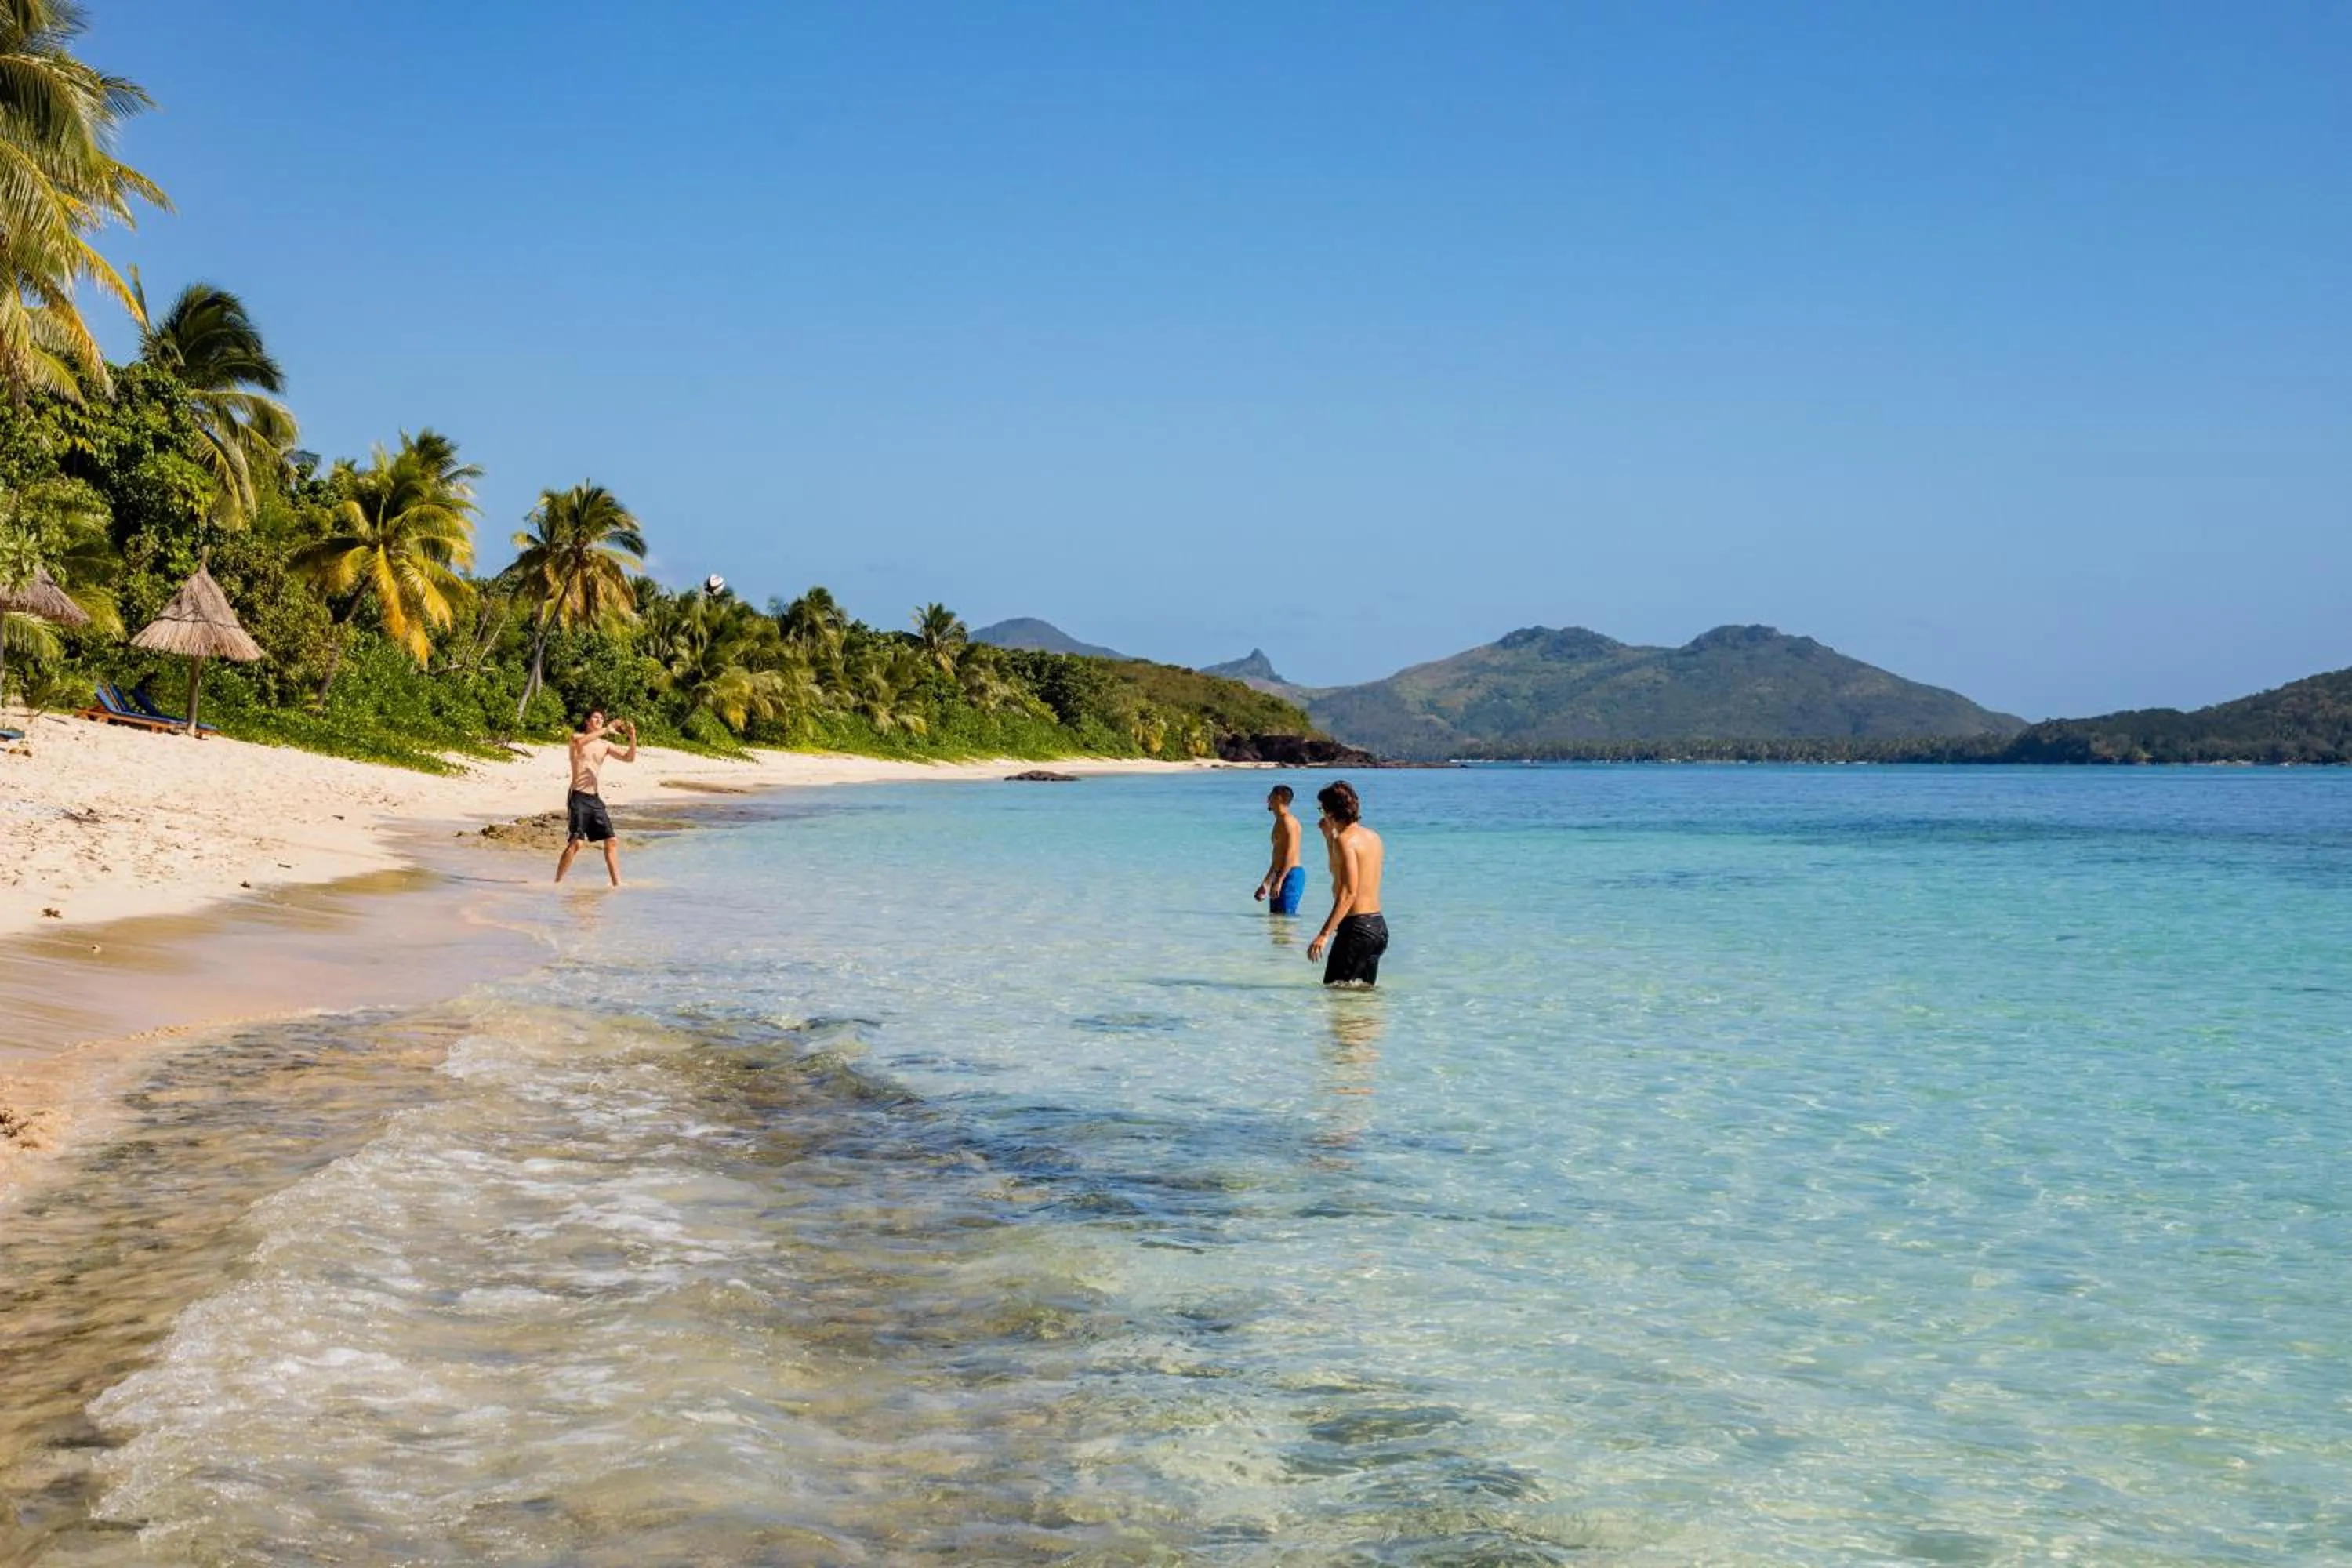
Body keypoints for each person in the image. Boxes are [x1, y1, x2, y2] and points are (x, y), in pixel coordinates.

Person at [1307, 779, 1388, 986]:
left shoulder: (1345, 841)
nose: (1322, 814)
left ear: (1331, 811)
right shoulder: (1373, 837)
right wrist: (1328, 837)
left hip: (1356, 929)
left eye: (1322, 809)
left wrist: (1324, 935)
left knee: (1336, 995)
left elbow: (1349, 892)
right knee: (1360, 999)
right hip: (1377, 928)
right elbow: (1338, 871)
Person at [555, 710, 637, 886]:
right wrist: (607, 729)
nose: (599, 720)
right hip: (578, 796)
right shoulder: (577, 738)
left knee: (612, 840)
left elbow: (629, 758)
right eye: (595, 717)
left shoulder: (605, 745)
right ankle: (558, 882)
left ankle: (617, 884)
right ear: (587, 721)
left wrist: (632, 737)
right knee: (577, 843)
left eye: (601, 718)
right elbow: (579, 743)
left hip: (595, 798)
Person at [1253, 784, 1308, 915]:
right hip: (1280, 875)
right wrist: (1266, 883)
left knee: (1285, 920)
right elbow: (1278, 857)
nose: (1267, 799)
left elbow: (1291, 853)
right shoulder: (1280, 821)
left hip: (1290, 875)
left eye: (1270, 796)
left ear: (1278, 798)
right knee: (1276, 921)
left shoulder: (1288, 822)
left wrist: (1280, 881)